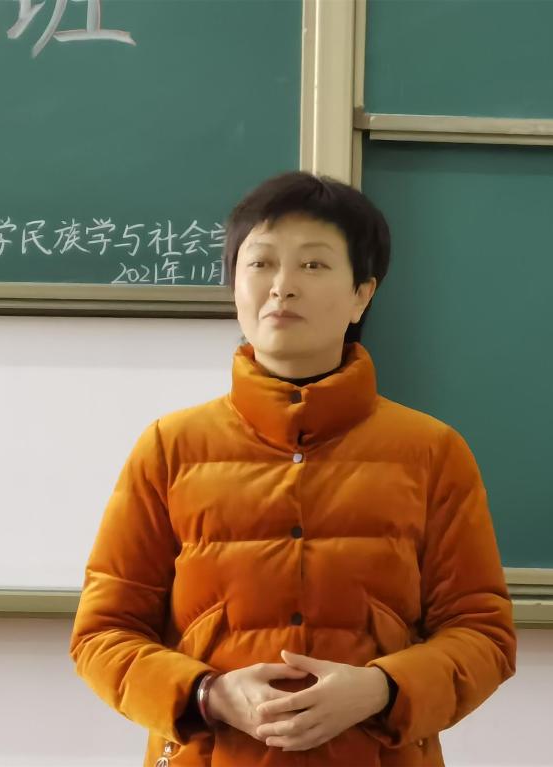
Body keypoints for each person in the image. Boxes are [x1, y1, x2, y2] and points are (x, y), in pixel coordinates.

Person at [69, 171, 517, 766]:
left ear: (362, 294)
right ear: (235, 285)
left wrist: (381, 690)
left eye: (313, 265)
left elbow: (483, 634)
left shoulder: (431, 452)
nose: (282, 287)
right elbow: (102, 634)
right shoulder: (170, 448)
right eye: (261, 264)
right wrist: (210, 694)